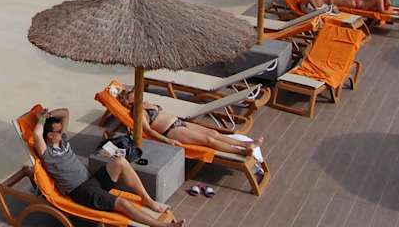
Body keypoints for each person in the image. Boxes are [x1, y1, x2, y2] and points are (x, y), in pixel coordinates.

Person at [33, 108, 180, 227]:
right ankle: (162, 226)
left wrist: (48, 114)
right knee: (122, 203)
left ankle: (148, 200)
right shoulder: (47, 153)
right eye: (58, 131)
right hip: (81, 191)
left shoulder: (63, 140)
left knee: (120, 161)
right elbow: (37, 134)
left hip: (92, 180)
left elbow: (65, 112)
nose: (62, 132)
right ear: (50, 135)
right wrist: (41, 120)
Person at [117, 92, 262, 157]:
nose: (134, 92)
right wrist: (167, 140)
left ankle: (245, 144)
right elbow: (148, 131)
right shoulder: (138, 112)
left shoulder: (145, 103)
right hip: (172, 131)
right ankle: (241, 152)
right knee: (208, 140)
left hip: (180, 122)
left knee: (214, 133)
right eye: (131, 93)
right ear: (129, 101)